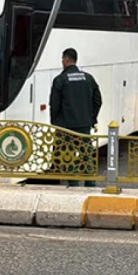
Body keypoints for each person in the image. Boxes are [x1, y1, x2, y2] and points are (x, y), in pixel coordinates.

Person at [49, 48, 102, 187]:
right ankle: (90, 182)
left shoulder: (60, 80)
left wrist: (56, 123)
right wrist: (91, 118)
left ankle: (73, 184)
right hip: (84, 125)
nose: (62, 62)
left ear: (66, 60)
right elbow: (98, 101)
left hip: (66, 127)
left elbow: (54, 105)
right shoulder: (88, 78)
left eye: (62, 60)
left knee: (68, 155)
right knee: (86, 154)